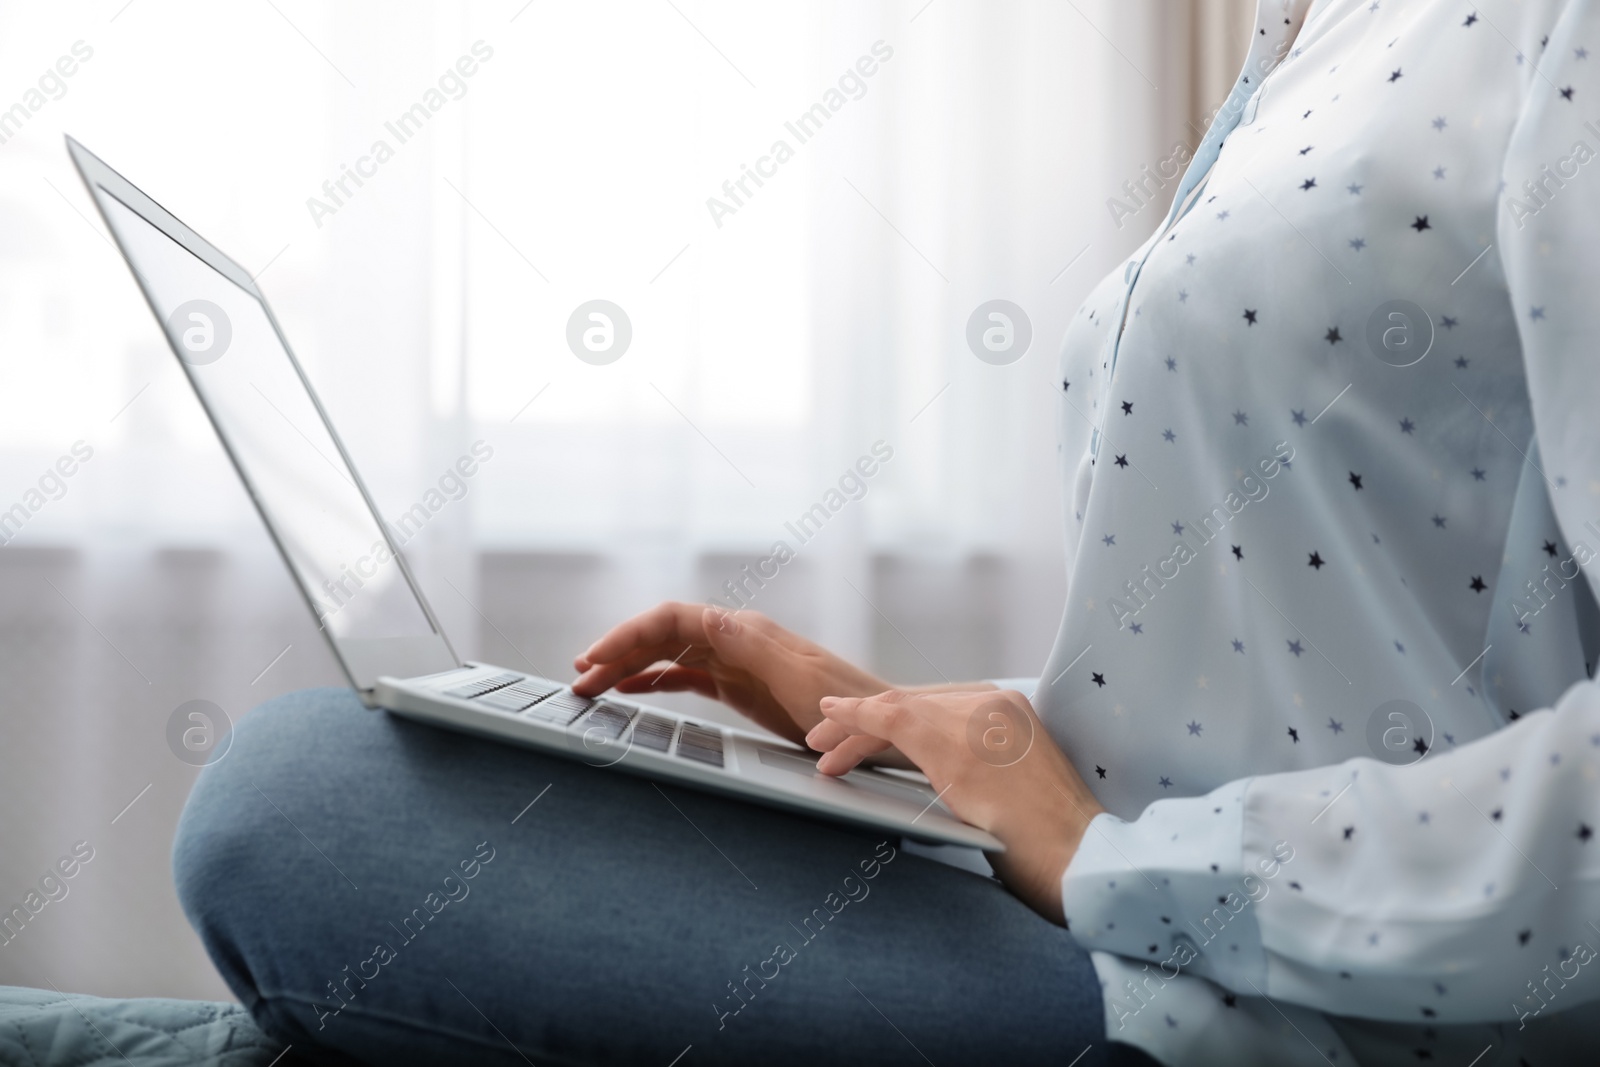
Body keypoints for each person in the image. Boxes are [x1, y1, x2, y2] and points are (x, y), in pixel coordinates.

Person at [175, 0, 1600, 1063]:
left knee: (302, 810)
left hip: (1279, 1012)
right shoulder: (1310, 36)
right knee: (365, 792)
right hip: (1129, 912)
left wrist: (1110, 859)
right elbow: (1328, 660)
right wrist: (917, 733)